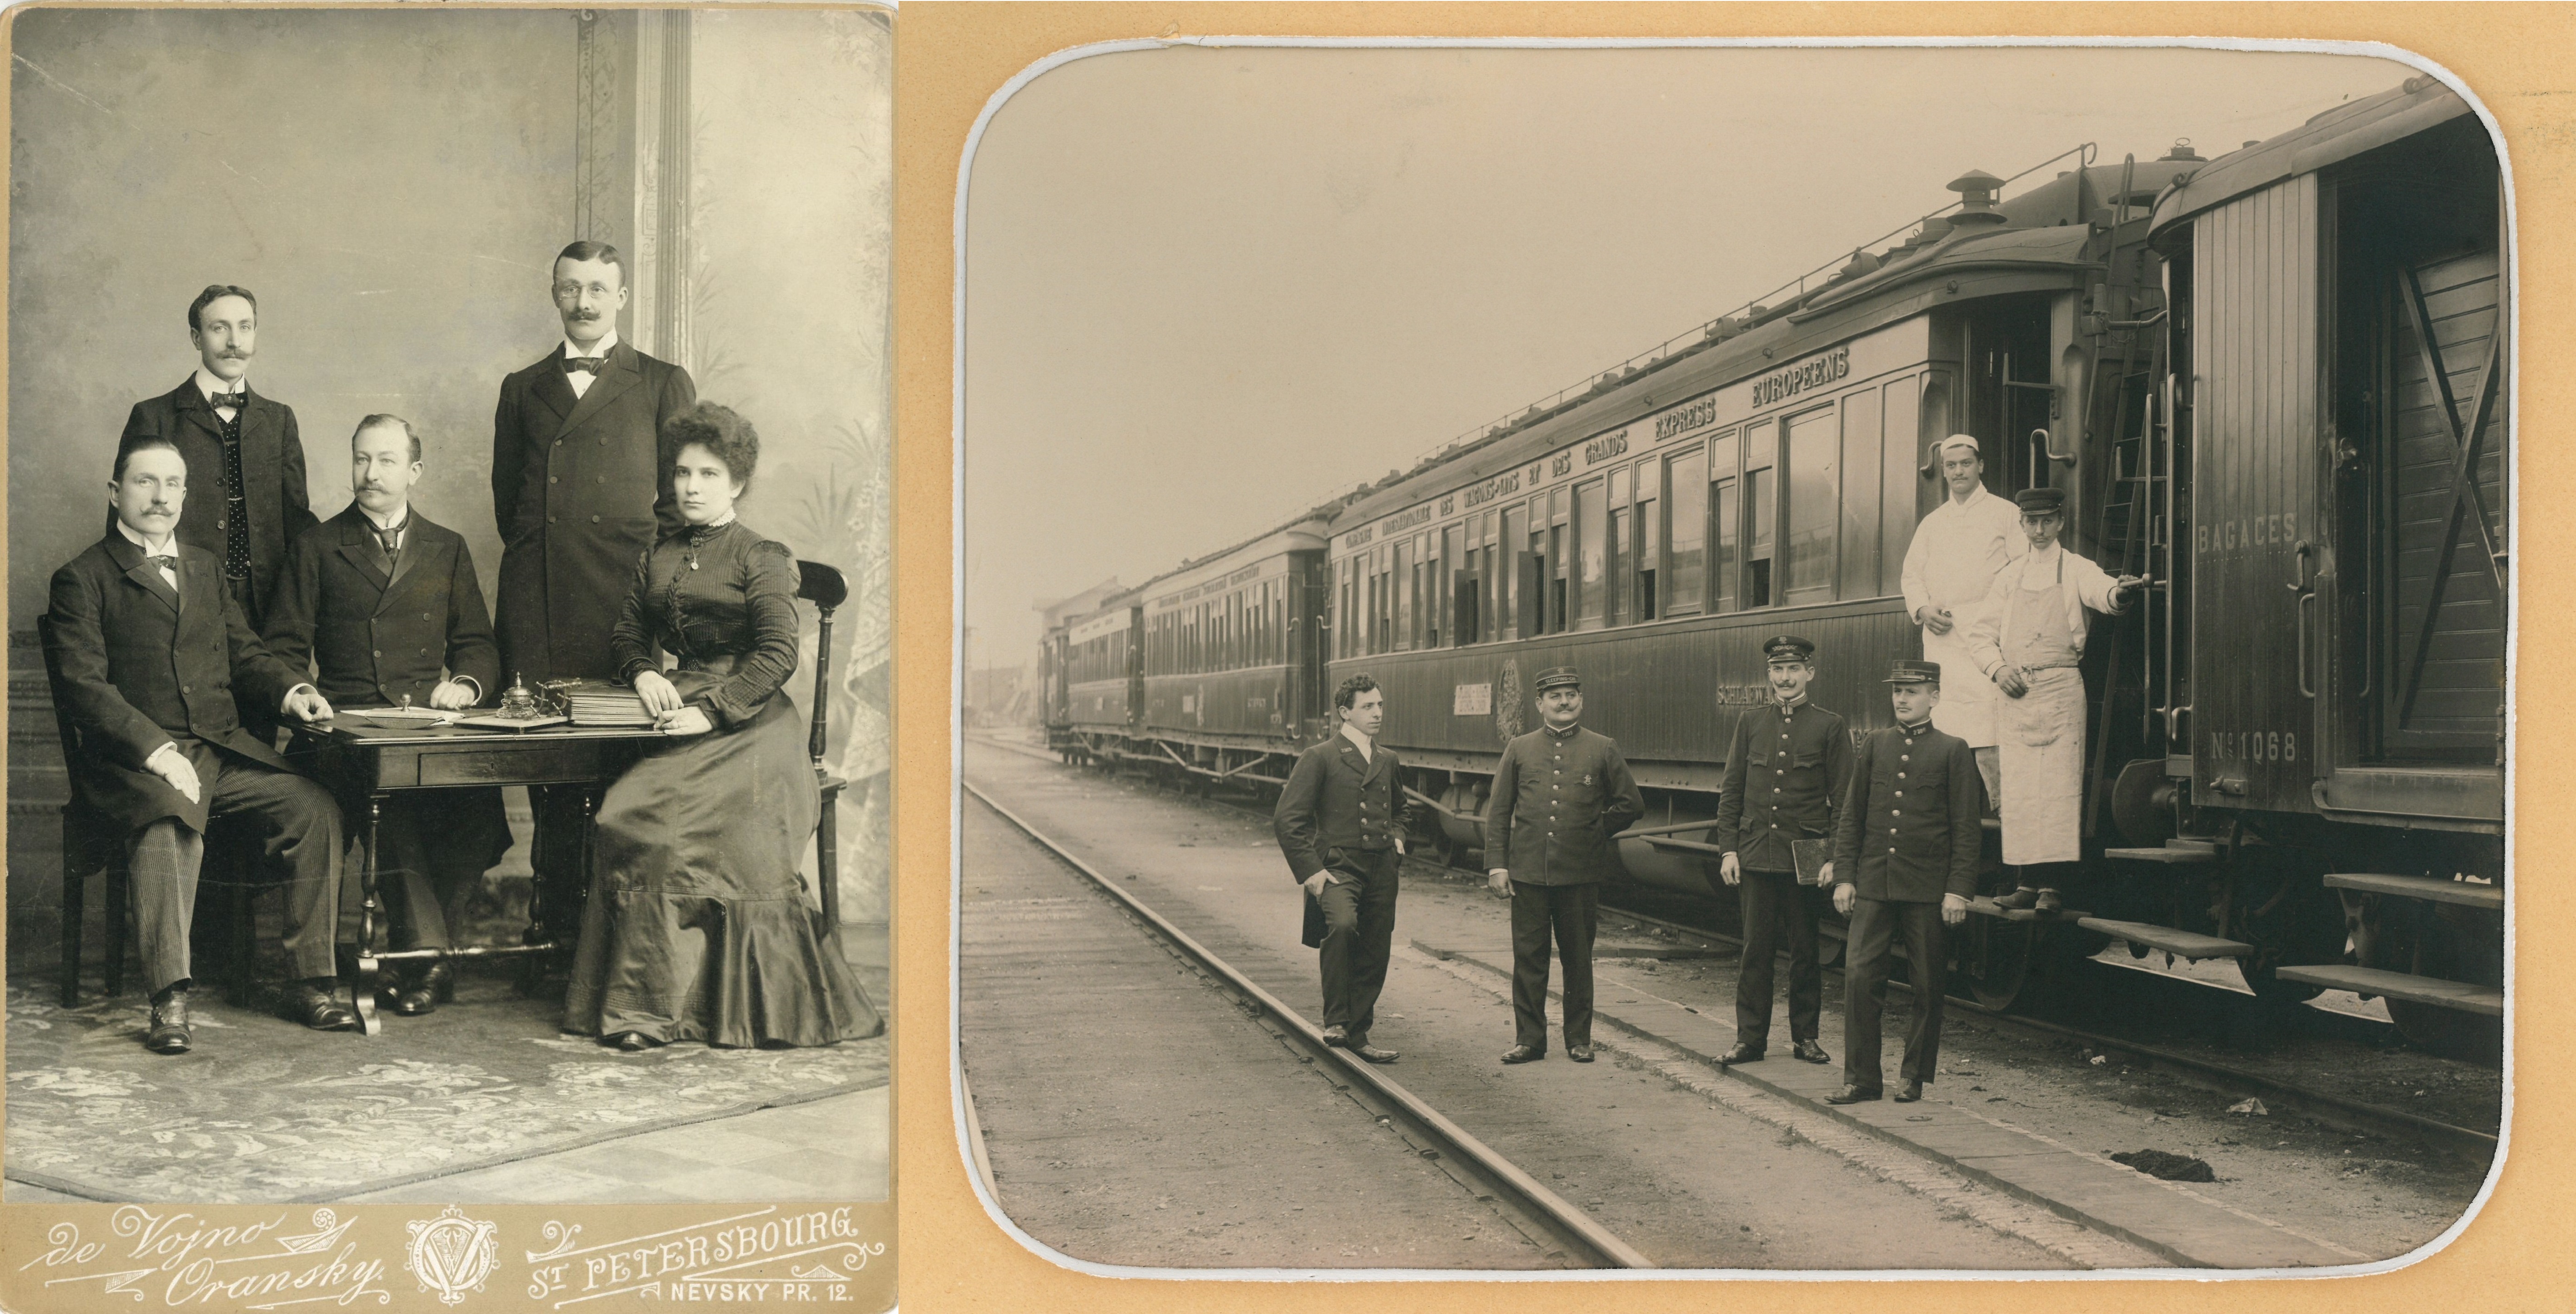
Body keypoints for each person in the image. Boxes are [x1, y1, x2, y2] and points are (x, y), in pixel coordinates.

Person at [562, 403, 880, 1050]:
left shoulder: (760, 555)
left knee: (654, 822)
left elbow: (776, 655)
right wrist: (643, 672)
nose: (691, 486)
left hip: (752, 725)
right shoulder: (659, 553)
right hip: (675, 705)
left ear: (737, 483)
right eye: (683, 473)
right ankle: (648, 1004)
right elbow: (628, 632)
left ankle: (673, 1011)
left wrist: (709, 710)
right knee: (623, 815)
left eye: (709, 474)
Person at [46, 436, 351, 1053]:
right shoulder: (82, 578)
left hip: (217, 748)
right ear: (115, 493)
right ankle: (169, 999)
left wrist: (292, 691)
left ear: (186, 494)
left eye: (173, 484)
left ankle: (310, 981)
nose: (160, 497)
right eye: (144, 482)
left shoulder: (206, 567)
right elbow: (85, 688)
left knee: (313, 807)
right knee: (169, 819)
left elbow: (244, 652)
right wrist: (156, 752)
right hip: (133, 761)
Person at [264, 415, 511, 1016]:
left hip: (429, 725)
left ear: (414, 471)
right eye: (361, 459)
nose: (371, 474)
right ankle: (429, 961)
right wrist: (299, 691)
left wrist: (468, 685)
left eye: (386, 461)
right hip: (342, 732)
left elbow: (477, 642)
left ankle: (424, 951)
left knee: (478, 812)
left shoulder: (446, 547)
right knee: (391, 802)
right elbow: (281, 649)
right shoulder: (317, 547)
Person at [491, 240, 698, 948]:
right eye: (571, 288)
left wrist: (649, 591)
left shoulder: (663, 382)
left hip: (624, 600)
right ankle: (553, 930)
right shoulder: (522, 386)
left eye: (598, 289)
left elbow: (677, 510)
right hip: (539, 597)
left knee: (621, 764)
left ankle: (614, 937)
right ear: (554, 294)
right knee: (545, 759)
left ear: (622, 297)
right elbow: (508, 505)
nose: (584, 302)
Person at [1962, 486, 2146, 911]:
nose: (2039, 529)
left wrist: (2119, 593)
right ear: (2022, 525)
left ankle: (2053, 888)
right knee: (2022, 790)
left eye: (2047, 521)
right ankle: (2027, 884)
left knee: (2059, 789)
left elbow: (2103, 593)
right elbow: (1979, 635)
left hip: (2062, 690)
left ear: (2060, 522)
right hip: (2016, 691)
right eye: (2031, 522)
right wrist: (1998, 669)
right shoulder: (2009, 577)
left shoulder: (2077, 568)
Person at [110, 285, 319, 632]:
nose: (234, 341)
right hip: (180, 602)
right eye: (219, 328)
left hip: (268, 606)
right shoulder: (155, 416)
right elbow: (123, 529)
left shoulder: (279, 419)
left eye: (245, 327)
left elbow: (296, 520)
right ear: (196, 338)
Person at [1825, 660, 1982, 1105]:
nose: (1901, 699)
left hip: (1928, 889)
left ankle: (1913, 1075)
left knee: (1927, 985)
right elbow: (1852, 816)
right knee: (1858, 977)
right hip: (1874, 882)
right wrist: (1845, 876)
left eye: (1912, 691)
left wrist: (1957, 890)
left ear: (1934, 697)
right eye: (1897, 691)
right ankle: (1861, 1079)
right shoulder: (1874, 744)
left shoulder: (1953, 750)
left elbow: (1965, 829)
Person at [1483, 667, 1643, 1065]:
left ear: (1581, 700)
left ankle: (1578, 1039)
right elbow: (1499, 811)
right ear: (1540, 704)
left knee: (1577, 958)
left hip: (1579, 874)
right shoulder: (1519, 748)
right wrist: (1496, 866)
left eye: (1571, 694)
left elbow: (1631, 804)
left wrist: (1594, 831)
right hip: (1528, 874)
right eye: (1555, 697)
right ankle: (1530, 1040)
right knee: (1529, 959)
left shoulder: (1602, 747)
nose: (1564, 702)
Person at [1712, 635, 1851, 1067]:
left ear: (1809, 673)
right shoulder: (1750, 722)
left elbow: (1844, 800)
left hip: (1806, 854)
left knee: (1806, 950)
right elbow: (1732, 789)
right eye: (1777, 669)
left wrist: (1834, 858)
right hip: (1755, 852)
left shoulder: (1829, 725)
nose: (1785, 678)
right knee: (1755, 950)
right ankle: (1749, 1040)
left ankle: (1805, 1038)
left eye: (1794, 669)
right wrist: (1728, 850)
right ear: (1769, 674)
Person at [1273, 674, 1406, 1064]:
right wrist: (1311, 871)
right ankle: (1336, 1020)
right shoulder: (1320, 756)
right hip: (1336, 867)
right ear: (1345, 712)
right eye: (1368, 706)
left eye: (1380, 705)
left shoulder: (1387, 759)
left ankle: (1359, 1031)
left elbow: (1403, 810)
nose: (1377, 713)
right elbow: (1287, 818)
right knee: (1344, 925)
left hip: (1381, 867)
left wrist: (1398, 839)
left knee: (1376, 947)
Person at [1898, 434, 2023, 805]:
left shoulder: (2005, 513)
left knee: (1990, 730)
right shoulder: (1932, 523)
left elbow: (2020, 571)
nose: (1958, 471)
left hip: (1989, 639)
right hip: (1944, 641)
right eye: (1950, 466)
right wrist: (1923, 610)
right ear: (1943, 472)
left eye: (1965, 463)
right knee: (1947, 729)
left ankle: (2002, 810)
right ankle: (1945, 813)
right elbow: (1911, 576)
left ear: (1980, 465)